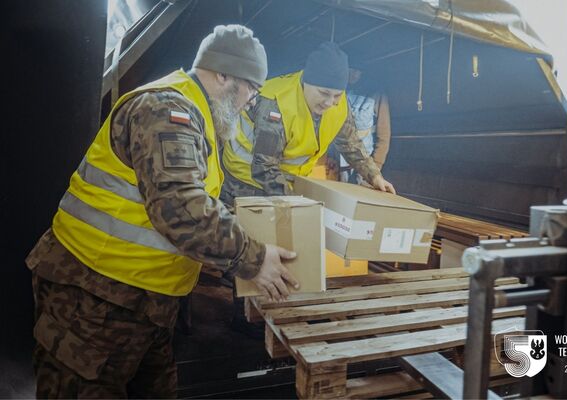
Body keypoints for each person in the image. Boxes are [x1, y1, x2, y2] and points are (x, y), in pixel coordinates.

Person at [25, 24, 299, 398]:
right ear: (222, 74)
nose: (251, 101)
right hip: (93, 297)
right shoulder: (167, 110)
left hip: (144, 302)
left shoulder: (197, 113)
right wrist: (252, 257)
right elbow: (180, 208)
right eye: (251, 88)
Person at [220, 41, 396, 202]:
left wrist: (374, 176)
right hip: (243, 181)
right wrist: (297, 203)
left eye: (337, 95)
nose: (329, 103)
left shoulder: (339, 104)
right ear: (306, 82)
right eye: (324, 93)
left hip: (290, 182)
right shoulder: (275, 104)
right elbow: (264, 167)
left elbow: (351, 144)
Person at [333, 66, 392, 185]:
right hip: (335, 159)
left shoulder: (377, 95)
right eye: (350, 69)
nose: (354, 74)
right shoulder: (337, 92)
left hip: (362, 163)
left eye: (357, 70)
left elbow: (384, 135)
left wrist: (376, 168)